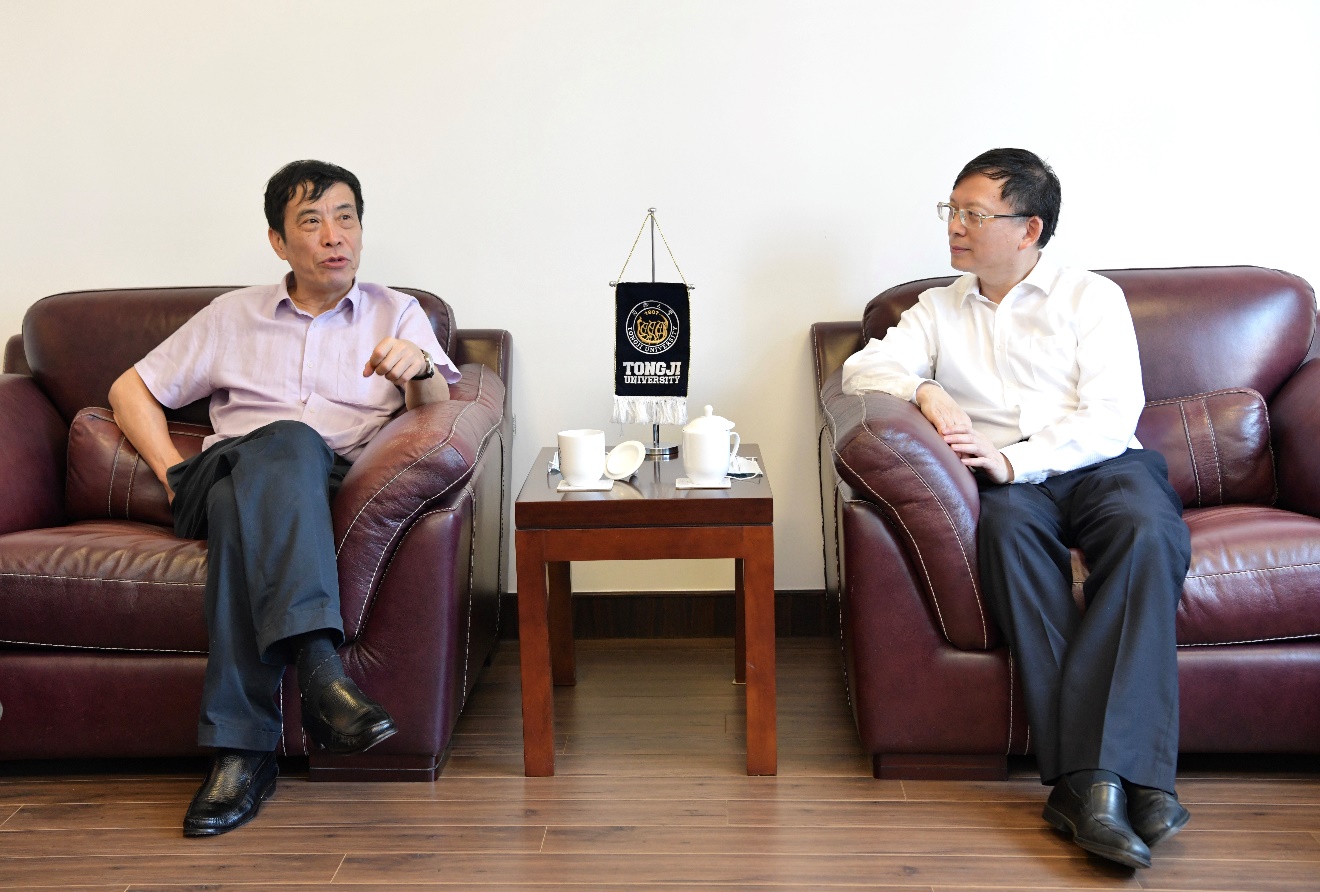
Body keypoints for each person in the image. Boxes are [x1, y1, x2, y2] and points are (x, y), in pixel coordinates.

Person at [840, 148, 1193, 870]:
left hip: (1100, 466)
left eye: (974, 214)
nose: (955, 227)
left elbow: (1110, 416)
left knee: (1149, 535)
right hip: (1008, 487)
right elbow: (861, 367)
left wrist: (1014, 461)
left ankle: (1090, 784)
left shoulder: (1090, 298)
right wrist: (925, 390)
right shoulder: (938, 308)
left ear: (1029, 228)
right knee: (1004, 540)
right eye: (951, 211)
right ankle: (1122, 787)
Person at [108, 159, 462, 837]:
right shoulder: (231, 315)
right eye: (312, 221)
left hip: (322, 487)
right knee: (285, 444)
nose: (334, 235)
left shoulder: (396, 312)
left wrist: (419, 367)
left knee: (255, 499)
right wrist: (170, 471)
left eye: (346, 218)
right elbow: (131, 389)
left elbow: (433, 409)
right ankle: (322, 675)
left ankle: (241, 756)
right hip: (223, 470)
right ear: (278, 240)